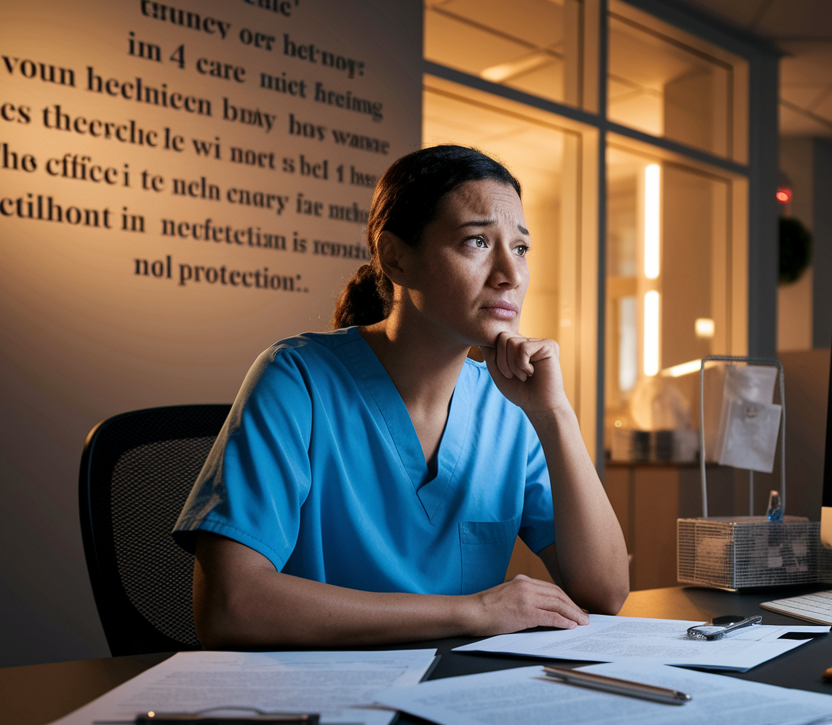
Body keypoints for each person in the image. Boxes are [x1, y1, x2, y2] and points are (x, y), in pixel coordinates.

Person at [172, 145, 629, 649]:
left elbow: (605, 592)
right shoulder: (296, 377)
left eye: (520, 248)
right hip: (323, 700)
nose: (510, 274)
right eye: (477, 241)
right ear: (395, 258)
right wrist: (474, 612)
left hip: (456, 697)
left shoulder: (511, 410)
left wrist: (555, 414)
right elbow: (230, 606)